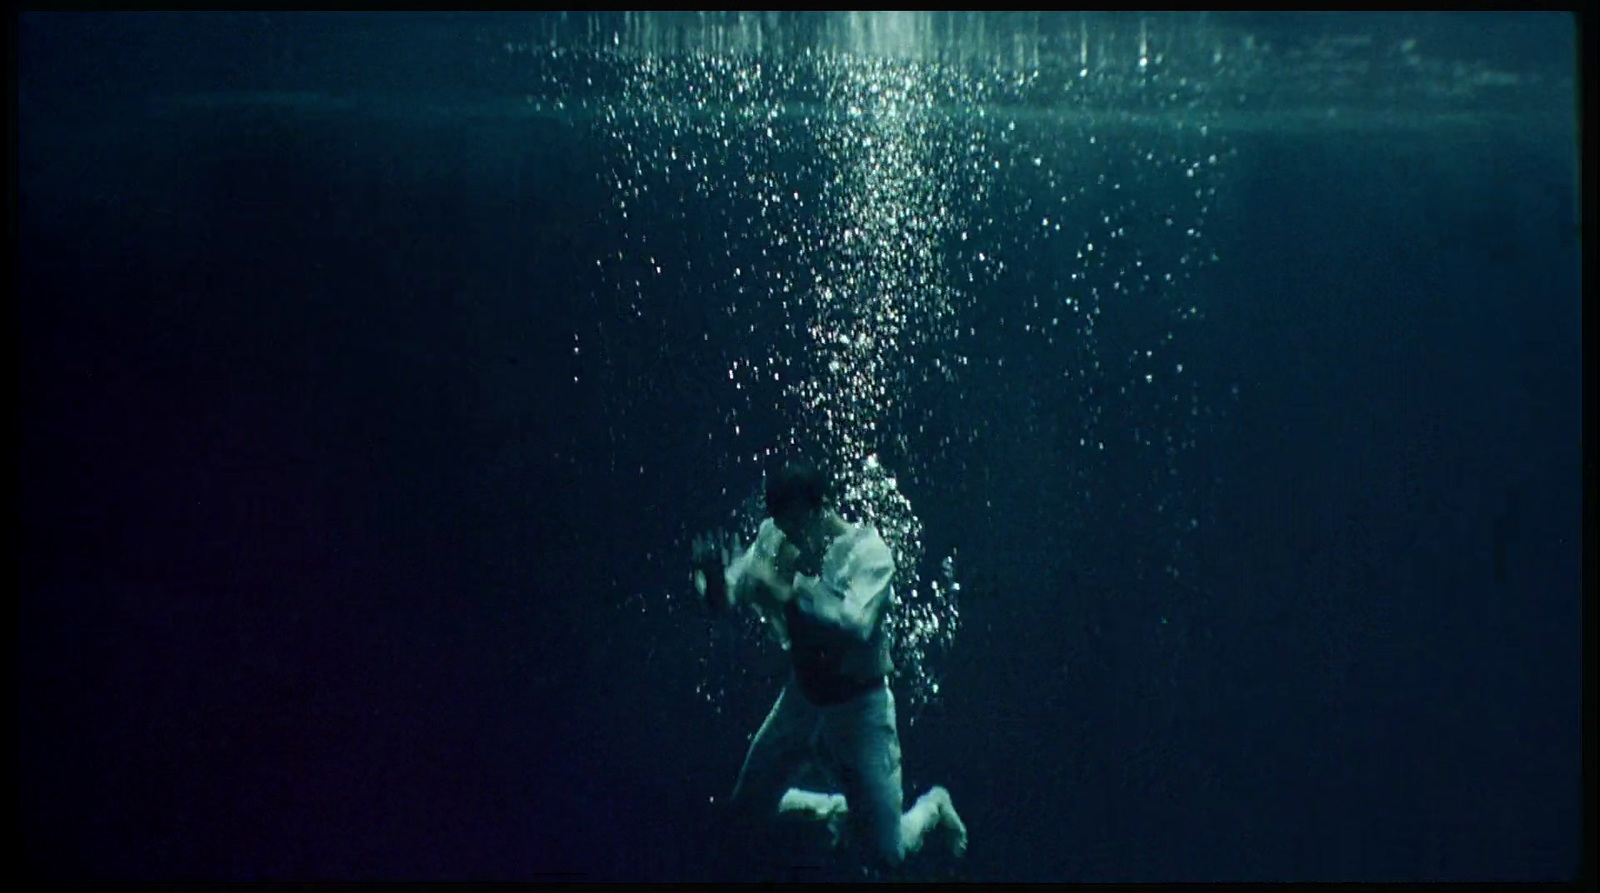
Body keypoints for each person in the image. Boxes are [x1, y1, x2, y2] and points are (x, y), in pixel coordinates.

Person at [692, 459, 968, 869]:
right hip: (801, 700)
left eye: (795, 524)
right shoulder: (775, 537)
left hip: (860, 711)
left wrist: (790, 593)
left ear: (820, 509)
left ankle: (933, 807)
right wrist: (714, 581)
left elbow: (855, 625)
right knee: (745, 812)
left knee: (887, 855)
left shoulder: (870, 555)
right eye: (782, 525)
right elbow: (732, 594)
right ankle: (838, 812)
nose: (789, 536)